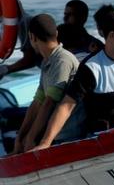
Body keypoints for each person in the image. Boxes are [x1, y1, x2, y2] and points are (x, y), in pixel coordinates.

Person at [33, 8, 114, 150]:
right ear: (112, 36)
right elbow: (66, 106)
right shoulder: (91, 67)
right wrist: (45, 142)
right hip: (103, 139)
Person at [13, 14, 79, 153]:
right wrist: (21, 137)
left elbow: (49, 102)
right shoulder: (47, 61)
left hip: (69, 135)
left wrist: (31, 138)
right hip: (55, 133)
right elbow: (38, 101)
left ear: (32, 37)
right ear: (56, 33)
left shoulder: (62, 60)